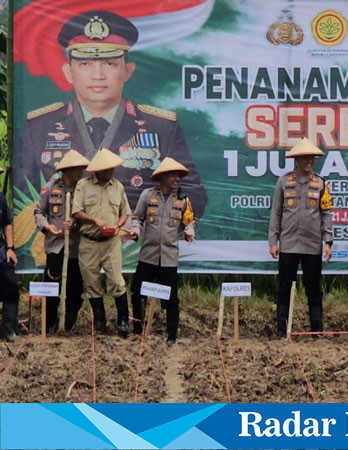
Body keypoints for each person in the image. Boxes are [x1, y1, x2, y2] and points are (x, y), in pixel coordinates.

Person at [17, 10, 206, 217]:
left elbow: (193, 194)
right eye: (85, 64)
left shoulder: (160, 127)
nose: (98, 75)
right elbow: (22, 198)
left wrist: (149, 229)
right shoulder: (40, 127)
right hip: (65, 243)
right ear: (68, 72)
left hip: (133, 244)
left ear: (128, 71)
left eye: (110, 63)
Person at [268, 138, 333, 338]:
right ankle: (282, 329)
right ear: (296, 160)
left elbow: (326, 213)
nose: (309, 162)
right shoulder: (283, 181)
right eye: (305, 158)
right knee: (283, 288)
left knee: (314, 289)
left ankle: (316, 330)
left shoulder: (321, 183)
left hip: (312, 245)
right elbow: (276, 213)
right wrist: (273, 241)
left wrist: (328, 241)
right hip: (288, 244)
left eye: (312, 158)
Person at [128, 157, 195, 345]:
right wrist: (135, 230)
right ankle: (138, 329)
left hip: (169, 258)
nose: (177, 179)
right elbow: (137, 218)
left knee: (172, 299)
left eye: (179, 176)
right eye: (173, 176)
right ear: (163, 177)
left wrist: (189, 232)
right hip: (148, 255)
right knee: (137, 293)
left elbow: (189, 222)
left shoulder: (182, 200)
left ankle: (172, 335)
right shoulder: (148, 196)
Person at [72, 149, 131, 337]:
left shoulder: (118, 187)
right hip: (89, 242)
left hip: (111, 242)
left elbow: (125, 213)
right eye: (107, 168)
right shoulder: (83, 186)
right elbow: (77, 212)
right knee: (91, 282)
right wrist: (94, 220)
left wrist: (117, 225)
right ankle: (100, 321)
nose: (111, 171)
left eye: (112, 168)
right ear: (97, 169)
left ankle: (123, 320)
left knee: (116, 281)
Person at [34, 150, 89, 333]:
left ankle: (70, 322)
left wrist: (75, 222)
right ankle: (50, 323)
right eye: (77, 169)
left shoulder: (83, 191)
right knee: (51, 287)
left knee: (75, 288)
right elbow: (39, 212)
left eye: (82, 169)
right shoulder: (50, 188)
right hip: (55, 247)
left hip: (76, 248)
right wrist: (47, 227)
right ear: (67, 170)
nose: (80, 172)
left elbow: (88, 216)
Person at [0, 165, 19, 341]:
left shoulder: (0, 198)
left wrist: (10, 248)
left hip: (0, 250)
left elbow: (7, 223)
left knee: (11, 285)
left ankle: (9, 328)